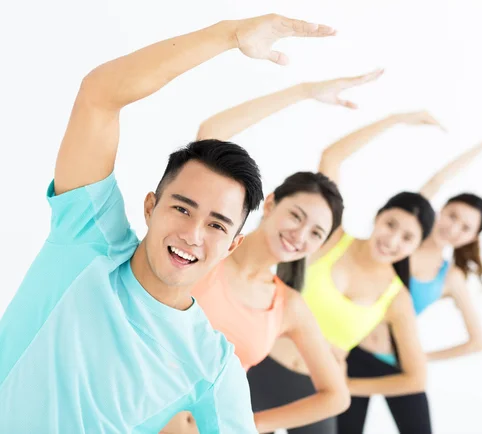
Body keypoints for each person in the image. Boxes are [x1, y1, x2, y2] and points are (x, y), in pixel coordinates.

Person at [0, 13, 337, 434]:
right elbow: (99, 95)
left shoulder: (211, 365)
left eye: (217, 225)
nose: (192, 234)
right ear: (149, 206)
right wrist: (228, 35)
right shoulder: (87, 236)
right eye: (182, 208)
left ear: (233, 243)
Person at [203, 93, 444, 432]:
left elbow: (415, 379)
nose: (392, 240)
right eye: (391, 225)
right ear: (378, 217)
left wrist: (348, 385)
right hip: (260, 368)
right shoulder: (327, 237)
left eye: (407, 239)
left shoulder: (396, 297)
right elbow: (333, 156)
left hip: (313, 391)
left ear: (416, 247)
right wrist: (397, 118)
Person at [162, 72, 381, 433]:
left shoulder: (288, 306)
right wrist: (304, 90)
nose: (300, 235)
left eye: (316, 233)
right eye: (296, 216)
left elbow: (336, 396)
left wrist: (248, 425)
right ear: (271, 202)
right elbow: (211, 131)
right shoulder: (205, 250)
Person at [338, 137, 482, 434]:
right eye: (452, 215)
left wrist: (420, 356)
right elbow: (437, 180)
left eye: (465, 228)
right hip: (351, 353)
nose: (453, 228)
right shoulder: (399, 242)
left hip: (399, 367)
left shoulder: (451, 278)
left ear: (472, 239)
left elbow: (477, 341)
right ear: (439, 210)